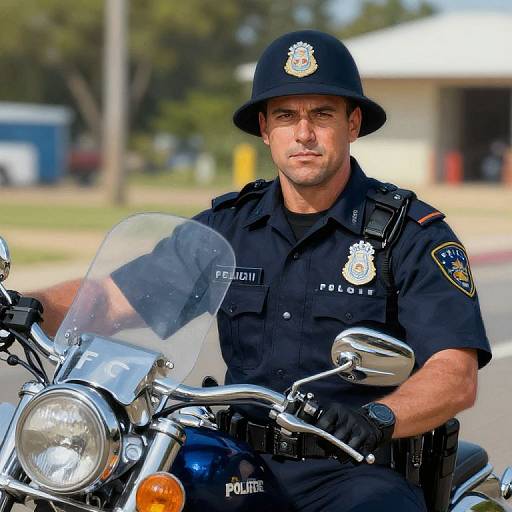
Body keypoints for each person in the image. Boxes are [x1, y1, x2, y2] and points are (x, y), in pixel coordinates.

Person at [33, 30, 491, 511]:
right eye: (287, 116)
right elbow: (109, 300)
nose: (304, 133)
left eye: (322, 114)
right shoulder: (227, 229)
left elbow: (454, 373)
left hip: (356, 471)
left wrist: (379, 416)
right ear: (265, 129)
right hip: (240, 465)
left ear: (353, 124)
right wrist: (25, 306)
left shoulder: (411, 235)